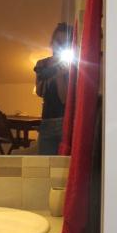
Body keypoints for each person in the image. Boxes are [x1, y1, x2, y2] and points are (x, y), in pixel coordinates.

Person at [34, 22, 74, 154]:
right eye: (57, 41)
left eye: (64, 43)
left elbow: (64, 99)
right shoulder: (42, 63)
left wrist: (60, 76)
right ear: (52, 42)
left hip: (65, 122)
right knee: (45, 165)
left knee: (63, 166)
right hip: (46, 121)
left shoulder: (72, 66)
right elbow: (39, 92)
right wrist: (50, 72)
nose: (59, 46)